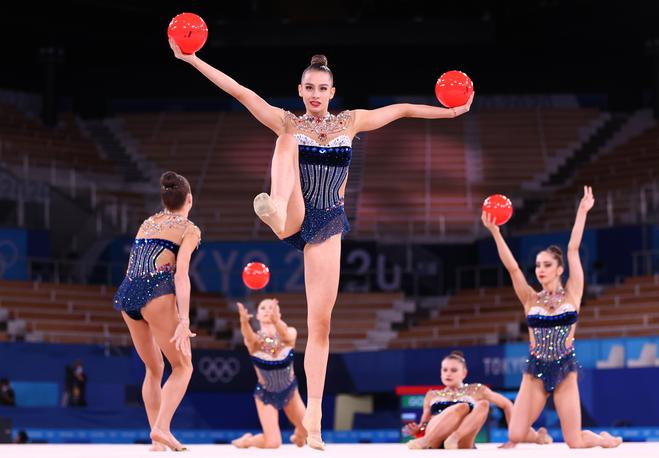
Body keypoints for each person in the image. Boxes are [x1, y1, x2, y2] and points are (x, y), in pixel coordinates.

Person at [170, 42, 474, 449]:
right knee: (284, 137)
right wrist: (192, 59)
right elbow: (240, 91)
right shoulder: (291, 121)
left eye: (322, 88)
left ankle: (313, 417)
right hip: (293, 209)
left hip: (328, 221)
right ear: (300, 90)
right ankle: (274, 206)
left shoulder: (351, 122)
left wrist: (450, 112)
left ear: (332, 92)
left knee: (321, 323)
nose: (315, 94)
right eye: (309, 88)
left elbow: (401, 109)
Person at [482, 186, 622, 448]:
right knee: (514, 434)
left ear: (559, 269)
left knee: (575, 442)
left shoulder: (573, 294)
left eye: (546, 264)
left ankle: (603, 440)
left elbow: (573, 248)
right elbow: (512, 268)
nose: (540, 269)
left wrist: (582, 212)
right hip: (535, 371)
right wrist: (495, 233)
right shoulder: (530, 299)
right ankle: (540, 436)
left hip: (564, 370)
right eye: (537, 265)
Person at [113, 171, 201, 452]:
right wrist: (184, 318)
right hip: (155, 293)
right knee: (183, 366)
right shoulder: (189, 229)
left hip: (128, 294)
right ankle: (162, 428)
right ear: (189, 199)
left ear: (165, 199)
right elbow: (182, 275)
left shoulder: (148, 222)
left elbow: (133, 266)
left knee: (154, 368)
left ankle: (156, 441)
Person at [405, 351, 551, 449]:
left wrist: (514, 437)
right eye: (444, 370)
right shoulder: (432, 395)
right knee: (461, 407)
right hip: (434, 438)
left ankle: (536, 437)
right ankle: (426, 442)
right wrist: (418, 430)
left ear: (464, 373)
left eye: (453, 370)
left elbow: (506, 404)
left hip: (461, 441)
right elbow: (424, 424)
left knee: (483, 404)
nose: (448, 374)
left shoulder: (477, 390)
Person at [231, 299, 307, 448]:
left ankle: (299, 435)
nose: (267, 310)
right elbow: (248, 337)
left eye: (272, 308)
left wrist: (277, 322)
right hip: (266, 394)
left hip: (290, 391)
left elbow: (285, 335)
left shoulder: (290, 333)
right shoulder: (255, 342)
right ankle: (248, 441)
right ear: (257, 315)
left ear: (279, 313)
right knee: (273, 443)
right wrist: (244, 322)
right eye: (263, 308)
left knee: (310, 431)